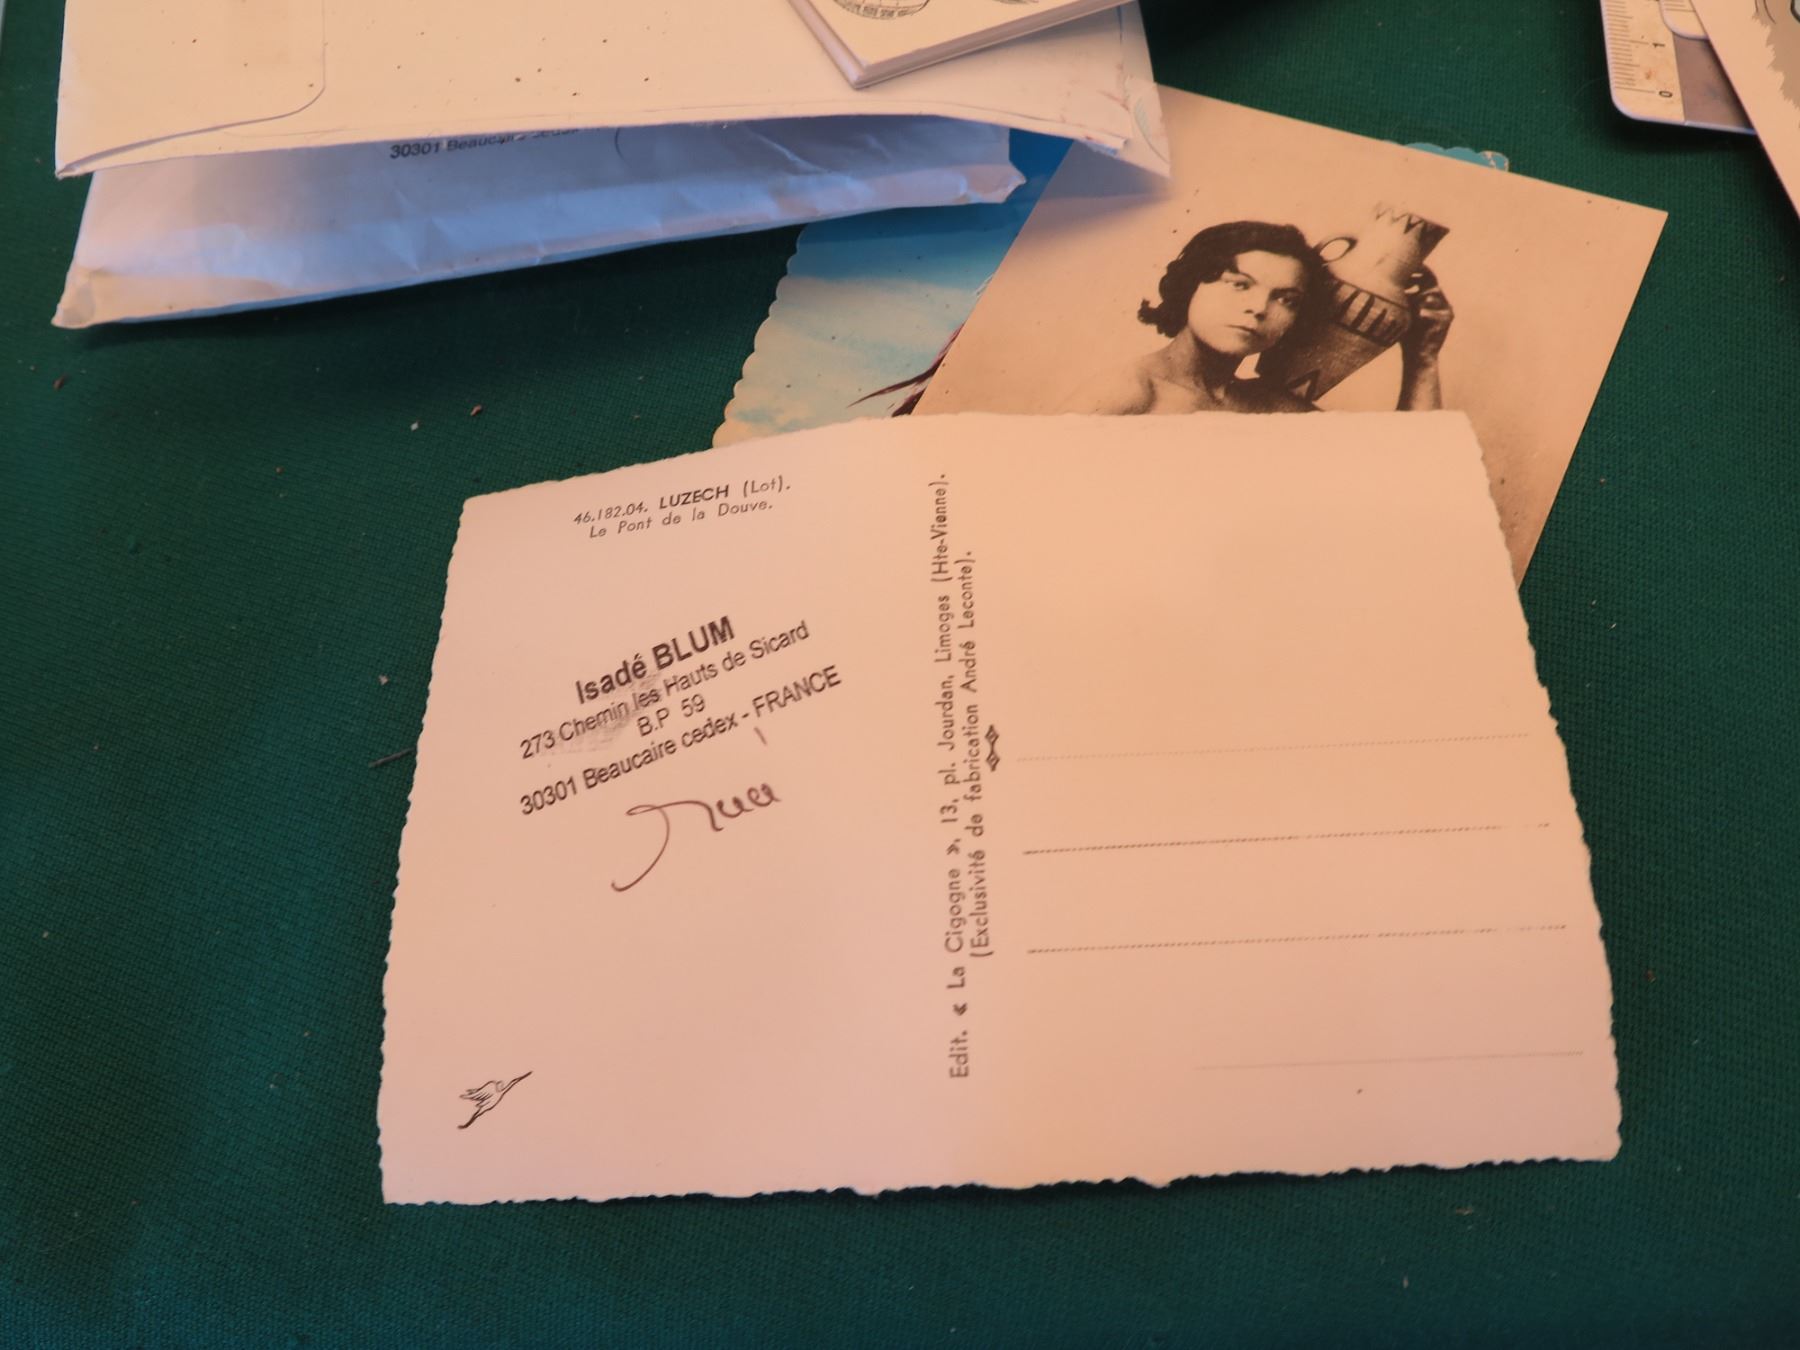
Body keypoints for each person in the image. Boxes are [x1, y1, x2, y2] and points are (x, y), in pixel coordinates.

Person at [1060, 219, 1452, 416]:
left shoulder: (1269, 405)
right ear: (1192, 284)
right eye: (1240, 285)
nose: (1260, 308)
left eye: (1286, 299)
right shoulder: (1128, 392)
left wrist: (1423, 356)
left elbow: (1410, 474)